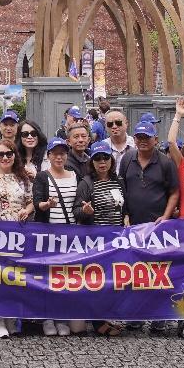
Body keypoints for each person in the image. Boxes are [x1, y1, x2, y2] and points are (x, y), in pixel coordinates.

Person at [76, 141, 125, 336]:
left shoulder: (118, 180)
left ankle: (106, 316)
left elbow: (124, 206)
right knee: (96, 282)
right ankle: (97, 322)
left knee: (111, 282)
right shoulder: (86, 183)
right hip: (96, 241)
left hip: (117, 241)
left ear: (111, 161)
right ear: (92, 162)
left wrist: (127, 218)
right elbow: (77, 211)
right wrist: (86, 211)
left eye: (105, 158)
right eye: (97, 158)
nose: (102, 162)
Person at [0, 137, 32, 339]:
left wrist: (26, 210)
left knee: (16, 275)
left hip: (19, 230)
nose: (5, 157)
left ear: (15, 156)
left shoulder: (24, 178)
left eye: (8, 154)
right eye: (0, 154)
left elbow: (30, 202)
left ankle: (13, 316)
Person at [32, 138, 80, 336]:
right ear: (49, 156)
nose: (59, 157)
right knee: (48, 277)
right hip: (49, 234)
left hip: (70, 235)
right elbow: (37, 203)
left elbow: (78, 201)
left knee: (66, 277)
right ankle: (47, 318)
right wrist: (46, 205)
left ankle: (61, 316)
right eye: (55, 153)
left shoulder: (74, 175)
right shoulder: (43, 177)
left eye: (62, 153)